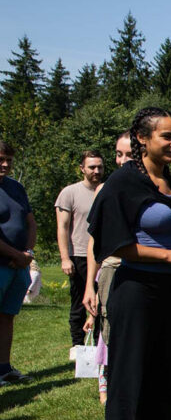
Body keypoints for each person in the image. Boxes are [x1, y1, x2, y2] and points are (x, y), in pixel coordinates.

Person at [88, 107, 171, 420]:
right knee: (130, 374)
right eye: (166, 136)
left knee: (165, 373)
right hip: (134, 287)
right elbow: (114, 243)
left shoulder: (166, 181)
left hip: (167, 288)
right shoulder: (123, 183)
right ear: (142, 139)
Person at [84, 132, 132, 405]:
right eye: (118, 154)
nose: (122, 160)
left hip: (144, 270)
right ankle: (109, 384)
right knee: (109, 329)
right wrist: (91, 283)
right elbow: (95, 240)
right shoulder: (107, 188)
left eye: (128, 154)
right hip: (112, 268)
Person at [56, 150, 104, 351]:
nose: (96, 171)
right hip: (80, 255)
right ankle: (77, 346)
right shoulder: (70, 192)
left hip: (103, 255)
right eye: (92, 167)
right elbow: (63, 227)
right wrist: (65, 258)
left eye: (100, 167)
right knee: (79, 303)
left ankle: (100, 346)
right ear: (82, 169)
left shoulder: (107, 189)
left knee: (102, 303)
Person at [0, 139, 37, 385]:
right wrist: (17, 256)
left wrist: (28, 253)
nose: (5, 165)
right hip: (4, 263)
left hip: (19, 265)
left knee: (7, 317)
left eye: (9, 160)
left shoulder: (16, 187)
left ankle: (3, 368)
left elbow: (30, 221)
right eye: (0, 160)